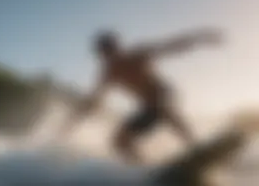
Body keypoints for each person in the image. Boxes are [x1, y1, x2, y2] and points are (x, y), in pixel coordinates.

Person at [59, 28, 223, 164]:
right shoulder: (108, 74)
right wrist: (70, 124)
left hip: (163, 93)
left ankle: (195, 146)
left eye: (112, 50)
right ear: (101, 55)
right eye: (105, 54)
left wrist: (202, 38)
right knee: (118, 141)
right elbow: (92, 101)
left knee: (162, 108)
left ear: (117, 47)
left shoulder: (137, 55)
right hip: (147, 107)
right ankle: (145, 169)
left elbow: (170, 46)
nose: (110, 57)